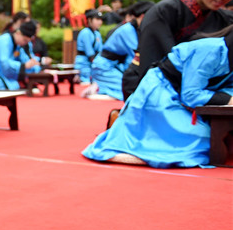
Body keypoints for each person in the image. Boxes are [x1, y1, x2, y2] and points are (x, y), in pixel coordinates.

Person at [82, 26, 233, 168]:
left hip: (185, 95)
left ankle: (127, 119)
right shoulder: (211, 50)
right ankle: (126, 121)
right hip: (161, 90)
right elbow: (191, 95)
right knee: (202, 141)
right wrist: (227, 99)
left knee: (218, 138)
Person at [122, 0, 233, 100]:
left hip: (200, 91)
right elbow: (158, 69)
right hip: (152, 86)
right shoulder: (164, 12)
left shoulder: (225, 19)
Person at [87, 0, 155, 101]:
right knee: (126, 90)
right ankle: (97, 88)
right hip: (104, 67)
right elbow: (136, 56)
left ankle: (98, 86)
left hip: (114, 66)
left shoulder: (136, 30)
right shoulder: (128, 30)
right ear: (142, 16)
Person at [0, 20, 40, 90]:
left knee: (15, 85)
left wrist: (33, 64)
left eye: (27, 41)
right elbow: (5, 64)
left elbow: (25, 60)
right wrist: (24, 66)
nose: (25, 43)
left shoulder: (18, 46)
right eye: (24, 40)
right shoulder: (5, 40)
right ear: (18, 33)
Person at [74, 9, 103, 84]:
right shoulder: (85, 32)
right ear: (89, 20)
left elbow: (101, 50)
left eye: (100, 20)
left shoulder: (97, 33)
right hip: (84, 63)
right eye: (97, 19)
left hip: (94, 62)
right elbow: (89, 53)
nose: (100, 22)